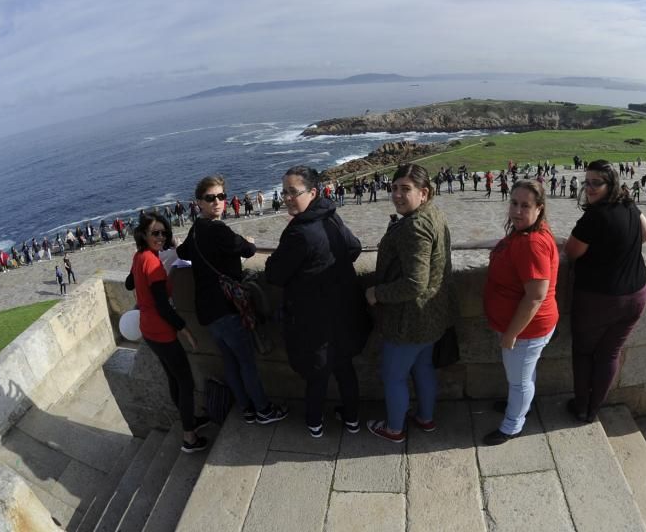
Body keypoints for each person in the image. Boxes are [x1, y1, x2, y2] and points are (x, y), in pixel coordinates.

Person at [265, 166, 367, 438]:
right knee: (344, 367)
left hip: (314, 317)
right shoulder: (330, 216)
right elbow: (354, 247)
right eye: (283, 191)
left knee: (318, 372)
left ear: (312, 192)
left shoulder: (299, 232)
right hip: (343, 311)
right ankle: (352, 420)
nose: (286, 197)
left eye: (292, 192)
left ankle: (314, 423)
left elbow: (275, 274)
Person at [177, 175, 288, 426]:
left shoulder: (197, 228)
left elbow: (183, 252)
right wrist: (250, 242)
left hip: (207, 311)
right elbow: (248, 251)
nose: (217, 202)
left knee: (230, 362)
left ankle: (247, 409)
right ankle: (263, 410)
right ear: (199, 202)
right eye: (210, 198)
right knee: (247, 362)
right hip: (227, 308)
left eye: (221, 196)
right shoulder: (218, 229)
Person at [365, 164, 454, 443]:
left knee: (394, 377)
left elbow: (415, 282)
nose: (397, 195)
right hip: (432, 315)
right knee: (423, 368)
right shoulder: (434, 213)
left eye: (406, 189)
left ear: (423, 192)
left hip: (408, 321)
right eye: (394, 188)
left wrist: (377, 293)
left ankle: (394, 429)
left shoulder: (414, 227)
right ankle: (425, 419)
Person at [564, 160, 646, 422]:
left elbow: (572, 252)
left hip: (599, 299)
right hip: (636, 294)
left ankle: (581, 407)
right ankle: (594, 409)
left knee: (583, 352)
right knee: (609, 354)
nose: (590, 188)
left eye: (596, 183)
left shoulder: (594, 216)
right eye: (587, 182)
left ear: (609, 183)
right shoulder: (628, 204)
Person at [482, 180, 559, 445]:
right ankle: (520, 405)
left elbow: (536, 295)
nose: (516, 211)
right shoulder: (528, 233)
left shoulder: (531, 243)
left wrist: (511, 334)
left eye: (525, 205)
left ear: (539, 208)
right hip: (530, 327)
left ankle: (512, 425)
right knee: (524, 375)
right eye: (514, 203)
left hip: (527, 329)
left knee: (519, 381)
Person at [126, 211, 210, 453]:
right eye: (155, 233)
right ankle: (189, 437)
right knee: (185, 382)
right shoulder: (153, 264)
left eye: (164, 233)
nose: (161, 237)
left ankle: (190, 422)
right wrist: (186, 332)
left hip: (149, 331)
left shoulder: (140, 256)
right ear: (143, 233)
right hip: (162, 332)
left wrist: (149, 257)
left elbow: (129, 284)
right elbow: (163, 306)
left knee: (174, 378)